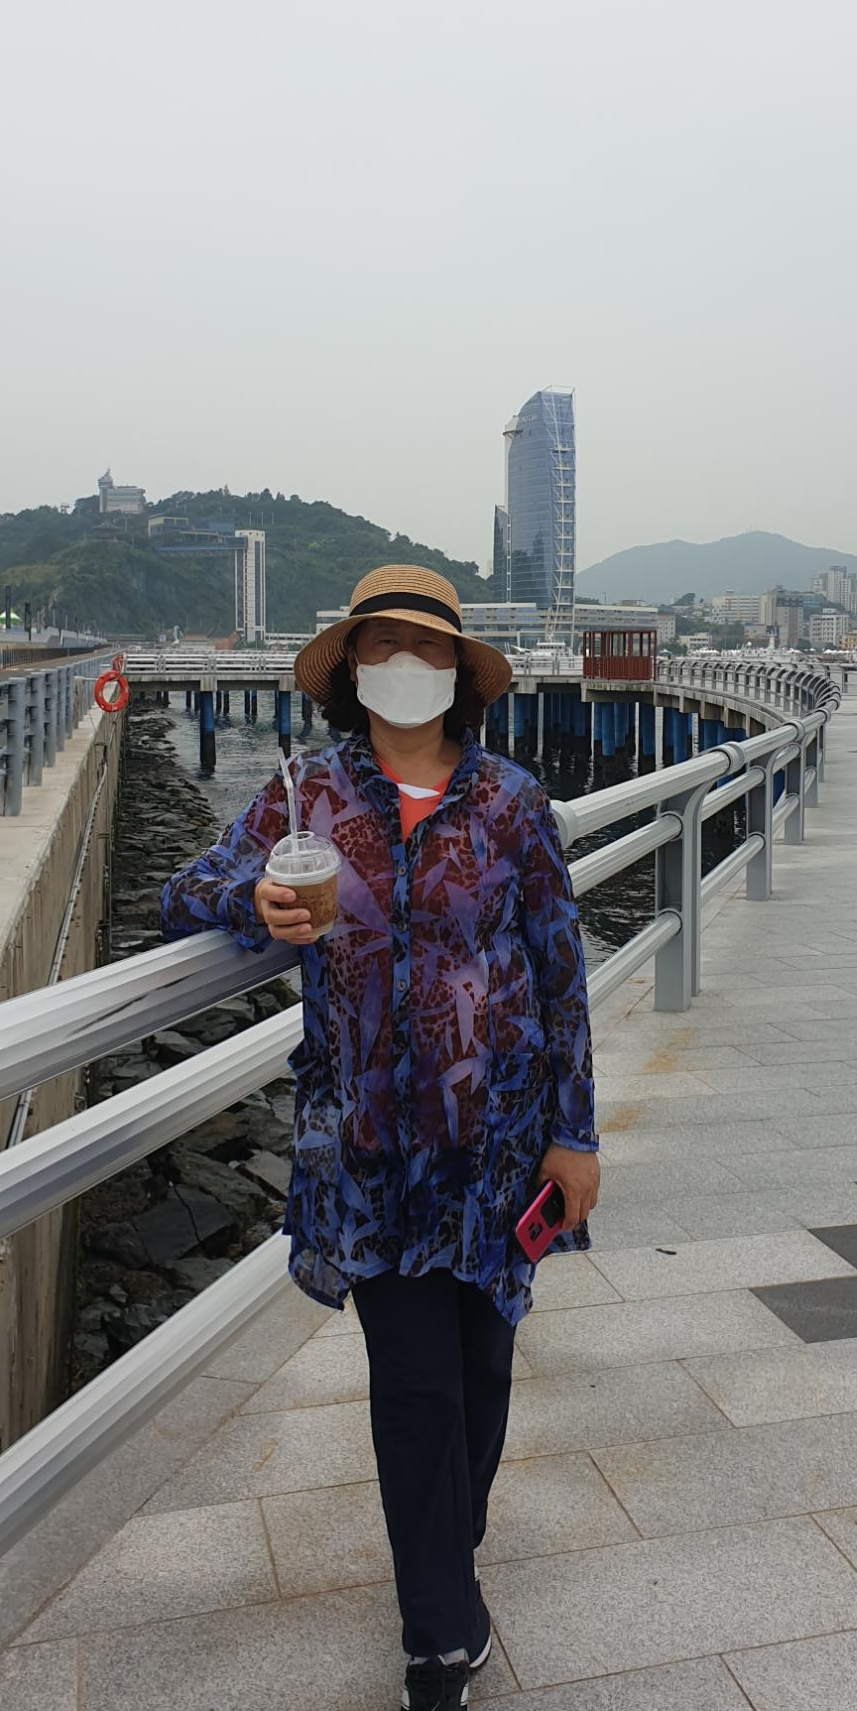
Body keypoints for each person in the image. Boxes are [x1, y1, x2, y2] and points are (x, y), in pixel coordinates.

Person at [161, 564, 599, 1711]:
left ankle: (448, 1551)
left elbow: (560, 972)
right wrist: (251, 900)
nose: (405, 662)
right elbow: (187, 887)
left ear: (461, 672)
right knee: (415, 1391)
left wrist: (575, 1133)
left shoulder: (511, 801)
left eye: (428, 645)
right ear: (351, 669)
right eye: (381, 643)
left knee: (482, 1371)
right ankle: (439, 1638)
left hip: (498, 1152)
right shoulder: (304, 796)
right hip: (365, 1157)